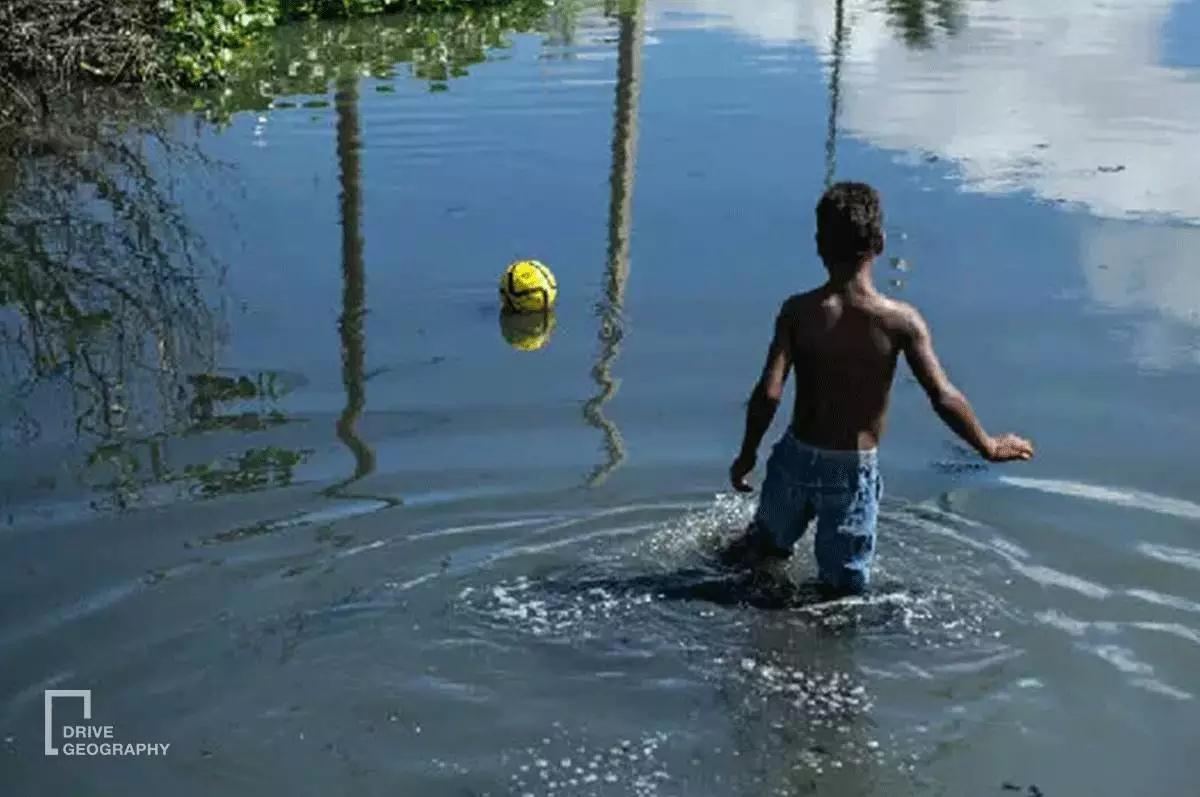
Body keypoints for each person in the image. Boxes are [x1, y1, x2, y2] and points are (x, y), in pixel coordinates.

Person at [724, 181, 1034, 594]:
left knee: (760, 553)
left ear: (819, 245)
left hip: (794, 461)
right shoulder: (899, 322)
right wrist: (988, 446)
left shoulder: (798, 312)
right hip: (852, 469)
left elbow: (769, 394)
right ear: (881, 243)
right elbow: (943, 397)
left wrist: (747, 454)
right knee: (842, 591)